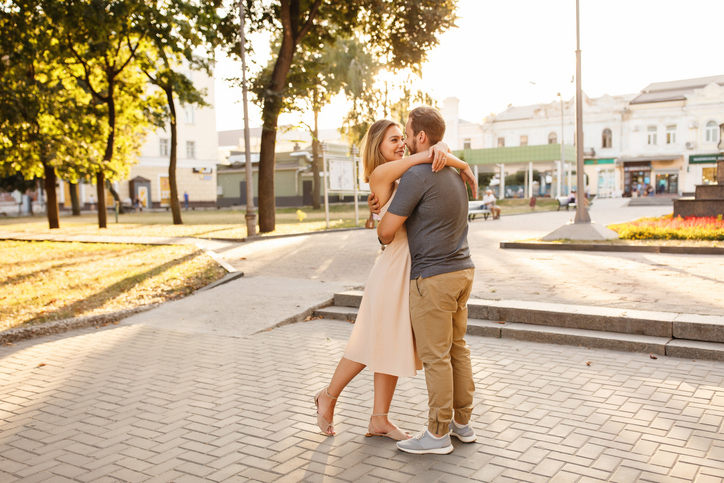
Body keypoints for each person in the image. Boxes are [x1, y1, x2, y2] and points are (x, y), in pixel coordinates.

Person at [314, 118, 477, 442]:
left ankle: (379, 419)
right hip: (393, 271)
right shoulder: (381, 174)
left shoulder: (406, 176)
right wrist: (442, 153)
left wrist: (452, 156)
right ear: (378, 147)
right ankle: (328, 396)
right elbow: (420, 163)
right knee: (368, 343)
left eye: (402, 138)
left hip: (412, 268)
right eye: (393, 141)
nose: (401, 144)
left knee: (386, 344)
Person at [378, 106, 477, 455]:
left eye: (407, 134)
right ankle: (461, 424)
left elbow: (387, 231)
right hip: (463, 270)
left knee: (436, 356)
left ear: (421, 137)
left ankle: (436, 434)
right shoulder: (453, 171)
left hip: (433, 278)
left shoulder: (419, 175)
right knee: (457, 349)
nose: (405, 140)